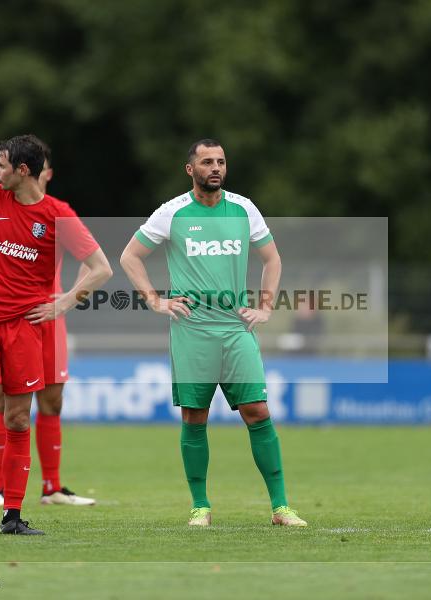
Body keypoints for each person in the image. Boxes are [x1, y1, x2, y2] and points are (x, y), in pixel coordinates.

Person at [119, 138, 306, 527]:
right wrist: (155, 300)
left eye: (220, 161)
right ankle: (200, 507)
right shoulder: (172, 214)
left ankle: (281, 507)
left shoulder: (244, 209)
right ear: (191, 170)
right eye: (207, 162)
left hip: (236, 330)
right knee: (194, 417)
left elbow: (271, 258)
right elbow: (130, 256)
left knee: (258, 411)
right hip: (192, 331)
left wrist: (266, 306)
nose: (215, 167)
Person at [0, 134, 112, 535]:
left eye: (0, 165)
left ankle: (13, 517)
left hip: (25, 330)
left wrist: (64, 302)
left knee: (17, 418)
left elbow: (101, 267)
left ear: (22, 170)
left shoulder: (57, 214)